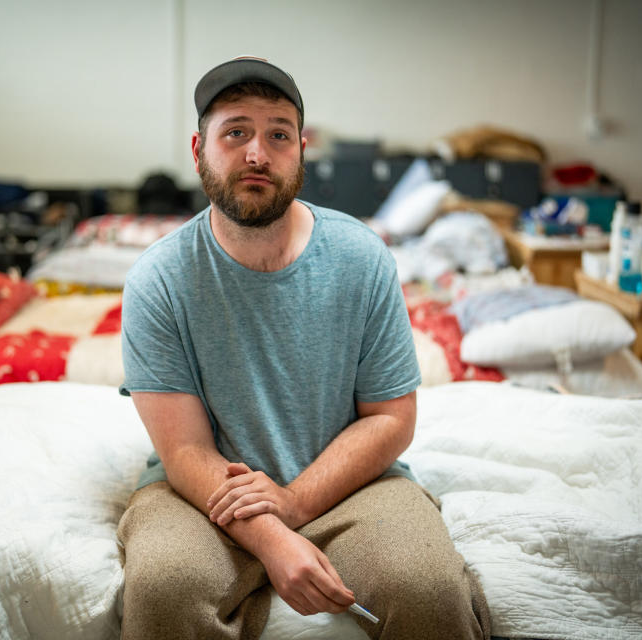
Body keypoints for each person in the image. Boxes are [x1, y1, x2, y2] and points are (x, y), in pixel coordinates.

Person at [117, 57, 490, 640]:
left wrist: (292, 502)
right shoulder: (158, 279)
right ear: (198, 150)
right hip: (203, 498)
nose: (257, 153)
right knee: (164, 588)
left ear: (300, 151)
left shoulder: (363, 258)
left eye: (278, 134)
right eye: (236, 131)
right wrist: (272, 537)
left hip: (351, 488)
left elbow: (392, 419)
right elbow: (185, 449)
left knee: (429, 590)